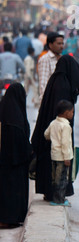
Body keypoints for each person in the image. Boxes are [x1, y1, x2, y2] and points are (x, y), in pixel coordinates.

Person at [31, 55, 79, 202]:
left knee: (50, 166)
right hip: (60, 132)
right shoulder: (63, 84)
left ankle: (49, 192)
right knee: (59, 169)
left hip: (51, 129)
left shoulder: (55, 80)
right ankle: (57, 195)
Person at [0, 83, 32, 228]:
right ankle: (11, 218)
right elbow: (21, 145)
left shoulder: (3, 112)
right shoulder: (18, 121)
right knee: (13, 191)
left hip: (3, 163)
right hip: (16, 165)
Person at [44, 100, 74, 207]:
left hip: (54, 155)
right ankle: (59, 200)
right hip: (62, 158)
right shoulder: (66, 126)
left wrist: (53, 138)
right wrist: (67, 158)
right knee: (62, 179)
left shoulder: (53, 123)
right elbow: (65, 143)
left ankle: (55, 198)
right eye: (72, 112)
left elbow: (46, 135)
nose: (72, 114)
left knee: (55, 178)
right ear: (66, 113)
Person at [38, 32, 64, 104]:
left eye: (62, 43)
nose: (61, 46)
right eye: (59, 44)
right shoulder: (45, 59)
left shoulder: (62, 59)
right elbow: (43, 84)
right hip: (50, 101)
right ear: (50, 45)